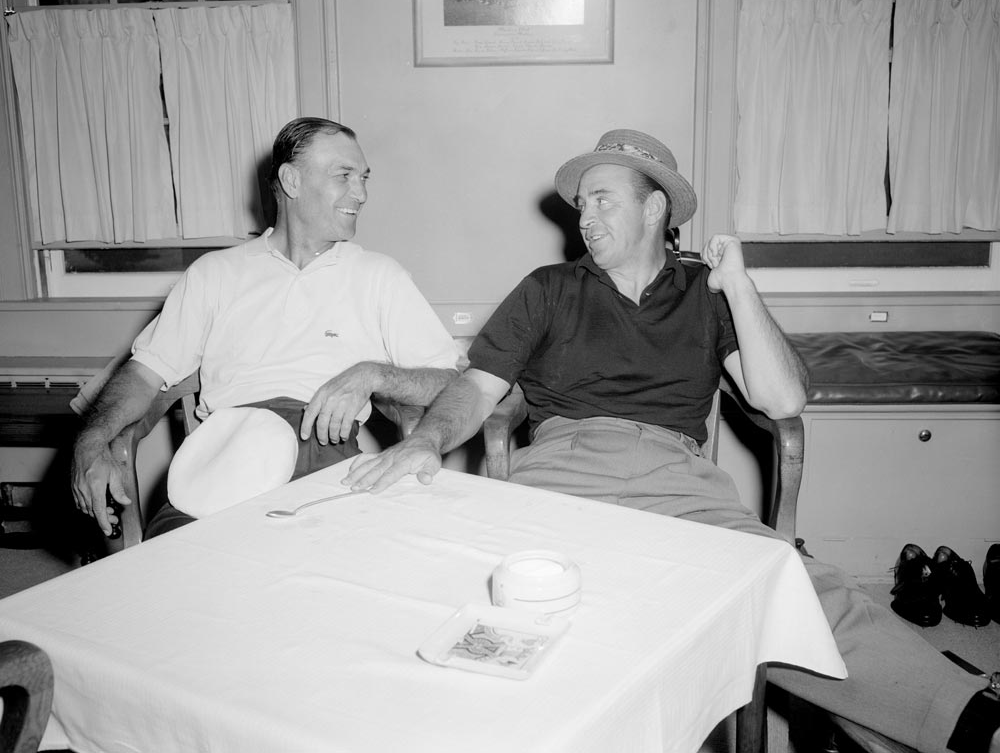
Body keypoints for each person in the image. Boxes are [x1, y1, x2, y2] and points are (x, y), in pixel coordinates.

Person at [344, 129, 1000, 753]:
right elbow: (479, 387)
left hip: (681, 483)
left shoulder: (706, 298)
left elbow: (785, 400)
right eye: (582, 202)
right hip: (563, 473)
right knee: (495, 606)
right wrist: (427, 438)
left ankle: (971, 719)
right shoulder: (548, 290)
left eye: (604, 198)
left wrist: (738, 285)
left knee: (792, 592)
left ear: (655, 205)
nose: (586, 215)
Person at [72, 117, 461, 539]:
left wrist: (373, 374)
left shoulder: (378, 276)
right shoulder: (215, 274)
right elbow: (144, 374)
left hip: (322, 458)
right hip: (222, 462)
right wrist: (92, 440)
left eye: (364, 178)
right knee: (169, 572)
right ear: (291, 180)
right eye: (343, 176)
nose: (362, 193)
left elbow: (452, 382)